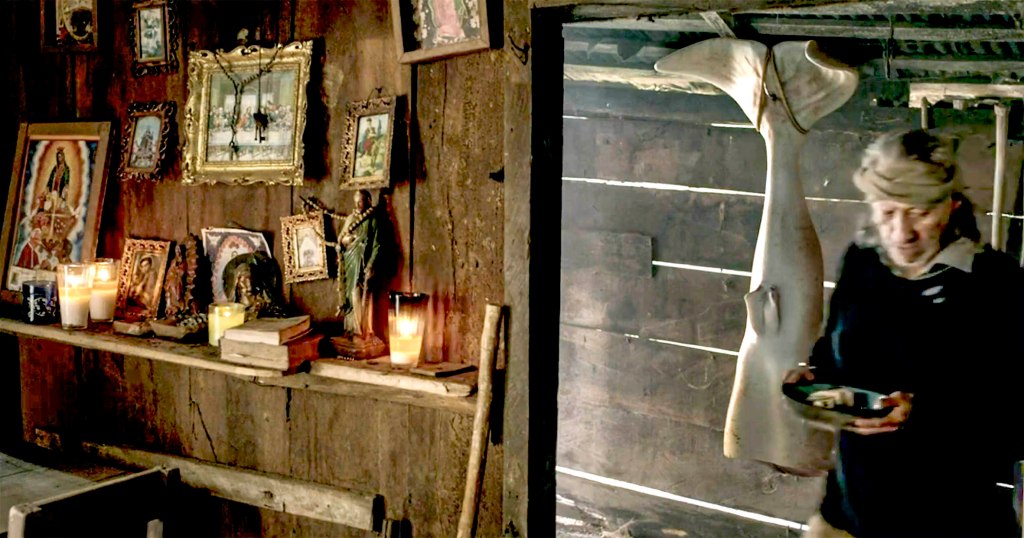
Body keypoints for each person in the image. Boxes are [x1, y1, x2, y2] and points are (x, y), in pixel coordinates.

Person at [785, 129, 1024, 537]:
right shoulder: (863, 264)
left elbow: (1016, 420)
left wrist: (923, 413)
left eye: (919, 212)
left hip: (953, 522)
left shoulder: (996, 284)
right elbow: (833, 353)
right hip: (849, 515)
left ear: (952, 204)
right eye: (888, 212)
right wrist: (814, 379)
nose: (902, 232)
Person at [339, 189, 383, 337]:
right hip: (350, 261)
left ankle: (364, 329)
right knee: (351, 294)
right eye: (356, 201)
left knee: (364, 295)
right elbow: (341, 240)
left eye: (361, 201)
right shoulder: (350, 219)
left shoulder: (373, 220)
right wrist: (346, 241)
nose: (357, 204)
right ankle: (352, 328)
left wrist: (370, 265)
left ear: (368, 201)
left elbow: (377, 245)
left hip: (364, 263)